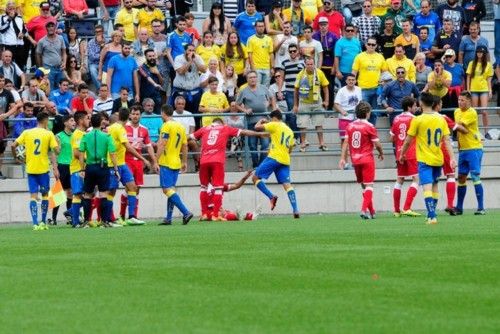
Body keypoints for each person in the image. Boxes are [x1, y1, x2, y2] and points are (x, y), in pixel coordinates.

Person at [399, 92, 456, 225]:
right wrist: (452, 157)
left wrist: (402, 154)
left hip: (424, 159)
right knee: (435, 185)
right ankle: (432, 214)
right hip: (438, 158)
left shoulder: (418, 119)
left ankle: (432, 216)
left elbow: (408, 141)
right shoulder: (441, 119)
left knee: (427, 188)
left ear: (422, 103)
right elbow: (447, 140)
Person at [191, 117, 261, 221]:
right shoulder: (224, 128)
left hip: (204, 160)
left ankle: (204, 214)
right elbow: (244, 132)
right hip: (217, 161)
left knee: (203, 188)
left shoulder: (205, 128)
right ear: (222, 123)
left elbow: (189, 137)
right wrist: (259, 134)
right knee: (219, 191)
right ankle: (216, 215)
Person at [11, 111, 59, 230]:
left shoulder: (27, 132)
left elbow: (13, 145)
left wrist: (16, 157)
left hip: (31, 169)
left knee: (33, 196)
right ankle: (43, 222)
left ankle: (35, 224)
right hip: (43, 169)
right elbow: (56, 151)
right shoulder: (48, 134)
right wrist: (58, 144)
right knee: (45, 196)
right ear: (46, 120)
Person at [339, 101, 384, 219]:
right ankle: (363, 210)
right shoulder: (369, 126)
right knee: (369, 185)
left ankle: (372, 211)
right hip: (367, 159)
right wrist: (381, 153)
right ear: (368, 113)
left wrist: (343, 158)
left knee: (364, 186)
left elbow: (345, 143)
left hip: (355, 160)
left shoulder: (350, 126)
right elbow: (378, 144)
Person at [252, 109, 299, 218]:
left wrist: (262, 120)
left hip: (274, 157)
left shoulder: (275, 125)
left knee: (255, 178)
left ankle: (271, 196)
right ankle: (295, 210)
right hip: (285, 159)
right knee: (287, 185)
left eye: (270, 119)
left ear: (274, 118)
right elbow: (290, 149)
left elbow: (256, 127)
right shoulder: (289, 130)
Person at [107, 108, 150, 225]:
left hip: (122, 163)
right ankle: (109, 219)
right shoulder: (120, 129)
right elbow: (128, 146)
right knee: (111, 191)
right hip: (112, 164)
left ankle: (131, 217)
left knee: (132, 187)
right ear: (128, 117)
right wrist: (143, 158)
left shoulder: (110, 127)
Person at [77, 113, 118, 227]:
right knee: (103, 194)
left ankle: (86, 221)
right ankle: (104, 221)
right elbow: (113, 153)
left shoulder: (85, 136)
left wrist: (82, 169)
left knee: (87, 195)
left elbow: (81, 154)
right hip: (102, 167)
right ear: (100, 123)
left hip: (90, 167)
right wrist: (116, 168)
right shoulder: (107, 136)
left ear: (91, 123)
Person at [155, 104, 193, 226]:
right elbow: (185, 145)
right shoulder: (180, 126)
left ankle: (186, 212)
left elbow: (162, 143)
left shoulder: (166, 126)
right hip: (176, 162)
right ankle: (168, 218)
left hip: (166, 162)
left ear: (163, 113)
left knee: (166, 189)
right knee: (171, 189)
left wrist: (155, 160)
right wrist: (185, 161)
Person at [120, 105, 158, 220]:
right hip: (126, 161)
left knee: (137, 189)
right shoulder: (124, 128)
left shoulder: (144, 129)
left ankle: (132, 216)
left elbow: (149, 147)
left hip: (138, 163)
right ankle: (125, 215)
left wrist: (155, 162)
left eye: (137, 114)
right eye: (133, 114)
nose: (135, 116)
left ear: (140, 115)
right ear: (130, 115)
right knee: (130, 187)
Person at [454, 91, 485, 215]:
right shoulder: (457, 112)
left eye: (462, 100)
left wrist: (453, 125)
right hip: (463, 150)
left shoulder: (471, 112)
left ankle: (481, 208)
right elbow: (460, 130)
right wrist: (459, 148)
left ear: (469, 101)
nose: (460, 102)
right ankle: (459, 208)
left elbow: (463, 129)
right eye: (459, 100)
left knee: (475, 177)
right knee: (461, 178)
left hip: (474, 148)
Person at [235, 71, 274, 167]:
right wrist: (245, 110)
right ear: (247, 79)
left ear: (257, 78)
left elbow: (272, 98)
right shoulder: (243, 91)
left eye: (254, 77)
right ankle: (256, 165)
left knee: (265, 145)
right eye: (250, 77)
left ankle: (261, 164)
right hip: (251, 122)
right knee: (252, 145)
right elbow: (236, 105)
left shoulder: (263, 88)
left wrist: (271, 106)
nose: (253, 79)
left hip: (264, 121)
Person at [390, 96, 420, 217]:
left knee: (400, 180)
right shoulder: (414, 119)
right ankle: (407, 207)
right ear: (409, 107)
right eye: (414, 106)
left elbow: (391, 137)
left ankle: (396, 210)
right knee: (416, 179)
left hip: (398, 152)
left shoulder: (396, 118)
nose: (416, 107)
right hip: (411, 153)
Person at [294, 57, 329, 151]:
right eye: (308, 64)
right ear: (305, 65)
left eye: (311, 64)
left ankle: (321, 143)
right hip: (304, 102)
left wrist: (326, 101)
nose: (310, 66)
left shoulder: (319, 73)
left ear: (314, 64)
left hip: (317, 101)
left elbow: (325, 88)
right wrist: (295, 105)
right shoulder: (300, 75)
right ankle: (303, 143)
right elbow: (296, 90)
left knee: (319, 123)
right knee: (303, 124)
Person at [352, 37, 387, 123]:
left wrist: (384, 82)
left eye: (373, 44)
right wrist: (352, 86)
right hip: (363, 89)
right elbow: (354, 72)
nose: (371, 46)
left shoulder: (380, 57)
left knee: (374, 113)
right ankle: (363, 131)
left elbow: (385, 73)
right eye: (369, 44)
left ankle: (371, 131)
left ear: (376, 46)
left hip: (376, 89)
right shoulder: (359, 56)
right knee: (363, 112)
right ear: (365, 45)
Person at [171, 43, 206, 129]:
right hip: (180, 91)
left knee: (196, 114)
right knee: (181, 113)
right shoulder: (178, 58)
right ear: (185, 51)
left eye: (193, 50)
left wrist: (195, 61)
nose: (191, 52)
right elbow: (180, 71)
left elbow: (204, 70)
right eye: (189, 50)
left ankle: (196, 135)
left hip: (195, 91)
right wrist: (189, 61)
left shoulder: (197, 58)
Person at [51, 114, 75, 225]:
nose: (73, 122)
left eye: (74, 120)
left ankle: (69, 218)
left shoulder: (75, 135)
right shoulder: (58, 136)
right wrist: (55, 169)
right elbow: (55, 154)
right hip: (62, 166)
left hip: (72, 166)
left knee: (70, 193)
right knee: (58, 193)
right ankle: (53, 219)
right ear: (65, 123)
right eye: (71, 120)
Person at [66, 111, 88, 227]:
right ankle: (75, 222)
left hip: (84, 168)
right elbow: (76, 153)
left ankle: (71, 212)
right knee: (77, 194)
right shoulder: (77, 134)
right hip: (77, 169)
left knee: (88, 194)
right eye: (87, 118)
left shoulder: (84, 134)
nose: (89, 121)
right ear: (81, 121)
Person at [466, 45, 493, 136]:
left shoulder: (488, 65)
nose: (479, 54)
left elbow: (489, 79)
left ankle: (486, 132)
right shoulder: (471, 63)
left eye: (481, 52)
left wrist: (490, 90)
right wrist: (468, 89)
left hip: (484, 89)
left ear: (484, 53)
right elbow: (468, 77)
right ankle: (475, 131)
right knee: (474, 111)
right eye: (478, 52)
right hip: (473, 89)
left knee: (484, 111)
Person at [280, 43, 304, 138]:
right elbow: (281, 77)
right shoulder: (284, 63)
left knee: (301, 113)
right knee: (292, 114)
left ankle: (301, 137)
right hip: (289, 91)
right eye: (291, 51)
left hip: (302, 92)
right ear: (288, 52)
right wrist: (280, 90)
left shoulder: (303, 62)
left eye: (294, 51)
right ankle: (295, 136)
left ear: (298, 51)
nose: (293, 53)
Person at [334, 73, 362, 154]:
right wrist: (342, 111)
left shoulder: (359, 89)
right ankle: (345, 161)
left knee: (356, 139)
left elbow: (360, 103)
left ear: (355, 81)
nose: (351, 81)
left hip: (356, 119)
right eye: (349, 80)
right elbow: (336, 104)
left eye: (353, 80)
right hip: (344, 119)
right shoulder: (341, 91)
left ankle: (356, 159)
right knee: (344, 140)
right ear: (346, 81)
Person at [35, 21, 67, 90]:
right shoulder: (41, 41)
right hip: (48, 68)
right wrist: (41, 68)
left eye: (52, 26)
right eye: (48, 26)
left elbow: (64, 52)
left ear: (55, 27)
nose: (50, 28)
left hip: (59, 67)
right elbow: (38, 54)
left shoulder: (60, 38)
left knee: (60, 89)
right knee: (50, 89)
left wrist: (64, 63)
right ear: (46, 28)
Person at [0, 2, 31, 71]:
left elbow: (25, 29)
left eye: (13, 8)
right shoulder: (2, 17)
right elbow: (2, 29)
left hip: (20, 45)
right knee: (8, 65)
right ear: (6, 9)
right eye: (10, 8)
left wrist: (22, 33)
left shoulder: (19, 17)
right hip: (9, 45)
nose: (12, 10)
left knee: (20, 66)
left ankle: (19, 81)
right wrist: (10, 19)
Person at [247, 20, 274, 87]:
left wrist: (272, 68)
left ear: (264, 27)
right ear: (255, 27)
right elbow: (249, 55)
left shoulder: (269, 39)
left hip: (267, 68)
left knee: (265, 88)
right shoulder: (251, 39)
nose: (261, 28)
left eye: (262, 26)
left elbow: (271, 54)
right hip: (256, 68)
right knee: (256, 87)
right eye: (259, 26)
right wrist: (253, 68)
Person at [138, 48, 163, 113]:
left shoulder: (158, 66)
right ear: (146, 57)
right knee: (145, 116)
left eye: (153, 56)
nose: (152, 58)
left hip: (156, 96)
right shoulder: (142, 67)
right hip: (145, 96)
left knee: (157, 116)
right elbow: (147, 77)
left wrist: (158, 74)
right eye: (149, 56)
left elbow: (162, 82)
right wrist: (155, 84)